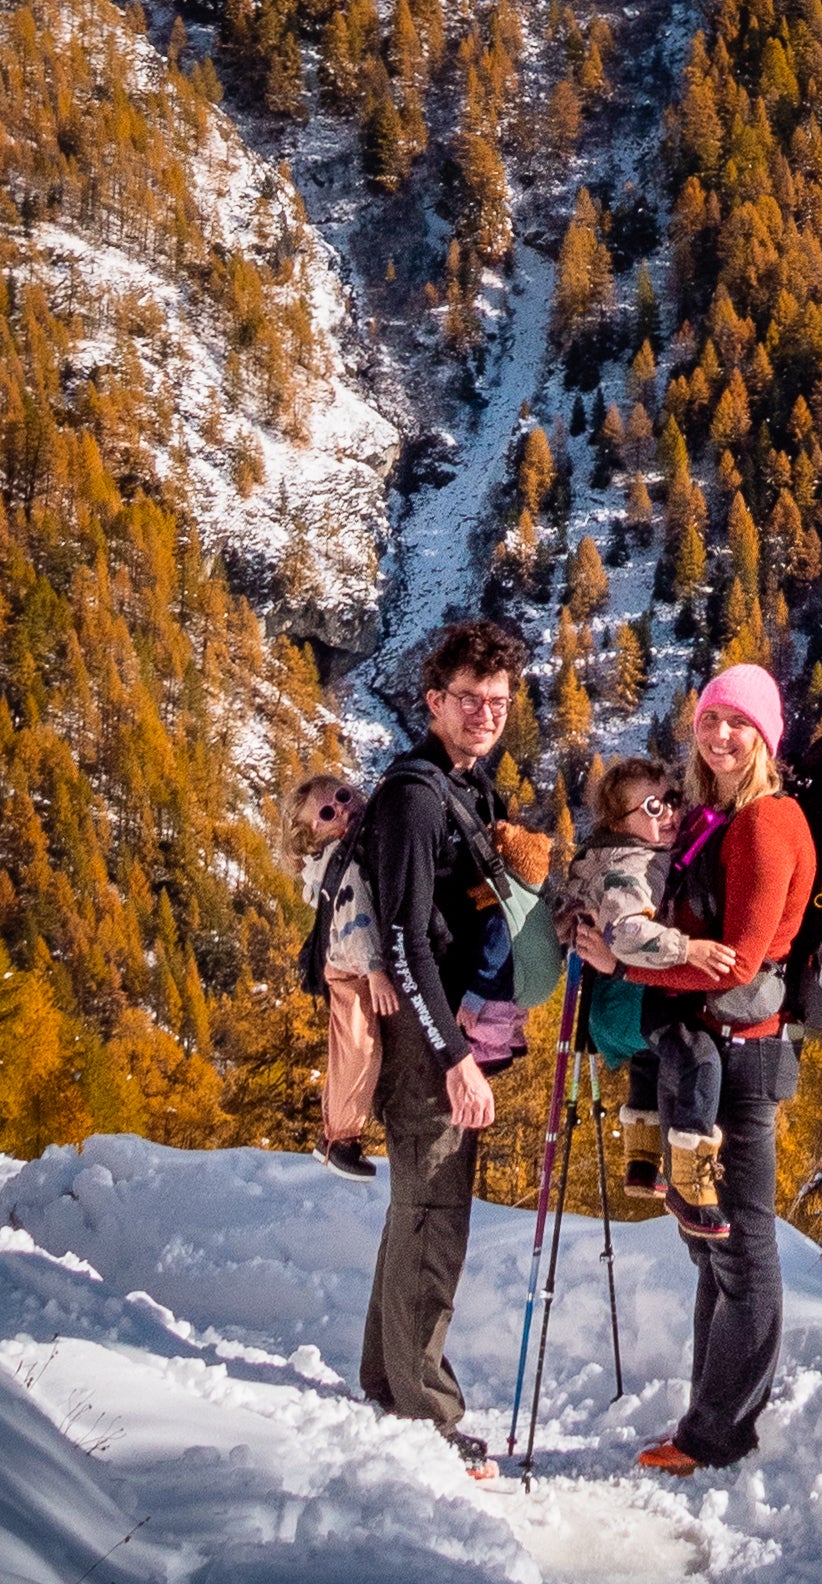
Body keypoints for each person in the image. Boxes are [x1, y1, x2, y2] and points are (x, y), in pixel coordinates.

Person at [588, 662, 815, 1475]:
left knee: (742, 1247)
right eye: (711, 718)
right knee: (711, 1243)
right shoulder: (715, 817)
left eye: (738, 722)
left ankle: (720, 1435)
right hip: (711, 1047)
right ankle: (706, 1420)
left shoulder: (763, 822)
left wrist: (625, 967)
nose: (720, 734)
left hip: (745, 1053)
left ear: (766, 736)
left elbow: (740, 959)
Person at [358, 615, 535, 1474]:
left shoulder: (467, 788)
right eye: (470, 698)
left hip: (442, 1029)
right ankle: (426, 1408)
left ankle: (386, 1378)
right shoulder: (415, 797)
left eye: (498, 699)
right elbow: (404, 942)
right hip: (425, 1038)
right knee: (435, 1215)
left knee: (418, 1211)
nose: (486, 713)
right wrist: (453, 1058)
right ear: (434, 700)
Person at [546, 757, 737, 1208]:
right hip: (630, 995)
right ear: (619, 822)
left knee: (648, 1060)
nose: (669, 813)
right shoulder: (632, 865)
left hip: (606, 1006)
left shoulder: (601, 853)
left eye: (672, 799)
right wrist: (688, 950)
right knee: (699, 1058)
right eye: (652, 807)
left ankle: (642, 1161)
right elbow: (627, 934)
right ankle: (691, 1180)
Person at [289, 772, 385, 1179]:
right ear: (314, 832)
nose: (342, 809)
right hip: (351, 968)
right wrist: (375, 970)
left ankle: (336, 1134)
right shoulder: (344, 862)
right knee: (359, 1050)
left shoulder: (348, 849)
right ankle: (340, 1139)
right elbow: (356, 918)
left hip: (346, 965)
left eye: (342, 796)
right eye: (328, 813)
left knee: (349, 1048)